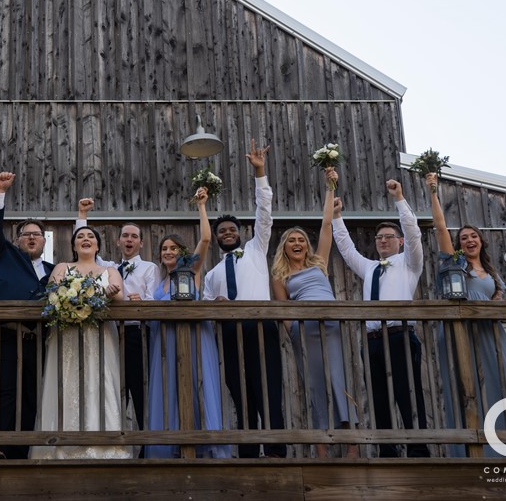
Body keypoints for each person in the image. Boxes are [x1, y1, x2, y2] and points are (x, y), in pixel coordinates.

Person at [426, 172, 506, 458]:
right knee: (468, 389)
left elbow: (498, 301)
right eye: (463, 237)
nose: (469, 240)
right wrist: (432, 191)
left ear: (481, 241)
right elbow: (441, 229)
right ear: (459, 244)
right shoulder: (454, 263)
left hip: (491, 331)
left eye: (473, 236)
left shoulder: (492, 274)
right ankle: (476, 451)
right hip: (462, 329)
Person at [332, 179, 429, 457]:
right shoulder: (371, 268)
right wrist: (337, 217)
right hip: (372, 340)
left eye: (388, 237)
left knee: (407, 393)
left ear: (398, 242)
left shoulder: (410, 263)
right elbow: (347, 250)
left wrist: (399, 198)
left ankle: (418, 449)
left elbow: (413, 234)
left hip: (400, 335)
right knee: (379, 398)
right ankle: (388, 449)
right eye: (379, 238)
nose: (383, 241)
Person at [201, 140, 284, 458]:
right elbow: (206, 304)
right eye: (221, 230)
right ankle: (248, 451)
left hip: (261, 327)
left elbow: (265, 212)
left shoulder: (256, 249)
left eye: (231, 229)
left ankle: (276, 451)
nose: (226, 233)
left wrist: (260, 172)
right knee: (240, 391)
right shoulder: (212, 274)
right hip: (230, 333)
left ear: (239, 232)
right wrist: (215, 305)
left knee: (268, 389)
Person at [270, 168, 358, 458]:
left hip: (330, 324)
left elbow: (326, 226)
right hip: (303, 329)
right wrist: (292, 329)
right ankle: (321, 445)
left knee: (339, 379)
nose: (297, 244)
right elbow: (283, 308)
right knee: (315, 382)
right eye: (292, 241)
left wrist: (330, 184)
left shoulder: (318, 264)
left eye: (301, 241)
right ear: (285, 247)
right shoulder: (280, 274)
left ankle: (352, 444)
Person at [31, 227, 133, 459]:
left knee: (100, 381)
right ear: (74, 246)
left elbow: (118, 296)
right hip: (67, 334)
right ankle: (60, 448)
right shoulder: (62, 268)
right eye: (80, 237)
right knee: (65, 382)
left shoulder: (110, 270)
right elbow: (54, 293)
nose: (85, 240)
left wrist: (106, 292)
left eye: (90, 237)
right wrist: (98, 293)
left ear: (97, 246)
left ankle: (104, 448)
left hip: (100, 336)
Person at [144, 186, 229, 459]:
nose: (168, 251)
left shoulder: (190, 270)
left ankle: (202, 446)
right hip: (164, 341)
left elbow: (205, 238)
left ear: (182, 252)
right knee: (168, 387)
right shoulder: (161, 281)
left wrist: (202, 206)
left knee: (195, 383)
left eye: (173, 247)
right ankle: (169, 446)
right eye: (164, 249)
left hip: (193, 336)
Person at [0, 171, 55, 460]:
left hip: (36, 341)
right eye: (27, 234)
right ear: (18, 240)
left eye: (37, 234)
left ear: (44, 241)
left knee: (30, 397)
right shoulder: (3, 255)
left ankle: (20, 452)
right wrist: (0, 191)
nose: (32, 238)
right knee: (3, 390)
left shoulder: (53, 272)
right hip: (4, 336)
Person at [75, 199, 160, 432]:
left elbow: (154, 300)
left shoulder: (149, 268)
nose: (129, 240)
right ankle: (115, 438)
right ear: (118, 241)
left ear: (141, 243)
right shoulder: (109, 267)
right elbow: (86, 256)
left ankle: (145, 442)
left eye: (134, 237)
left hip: (137, 333)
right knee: (112, 387)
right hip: (111, 334)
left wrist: (142, 302)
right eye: (125, 236)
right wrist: (82, 215)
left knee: (139, 388)